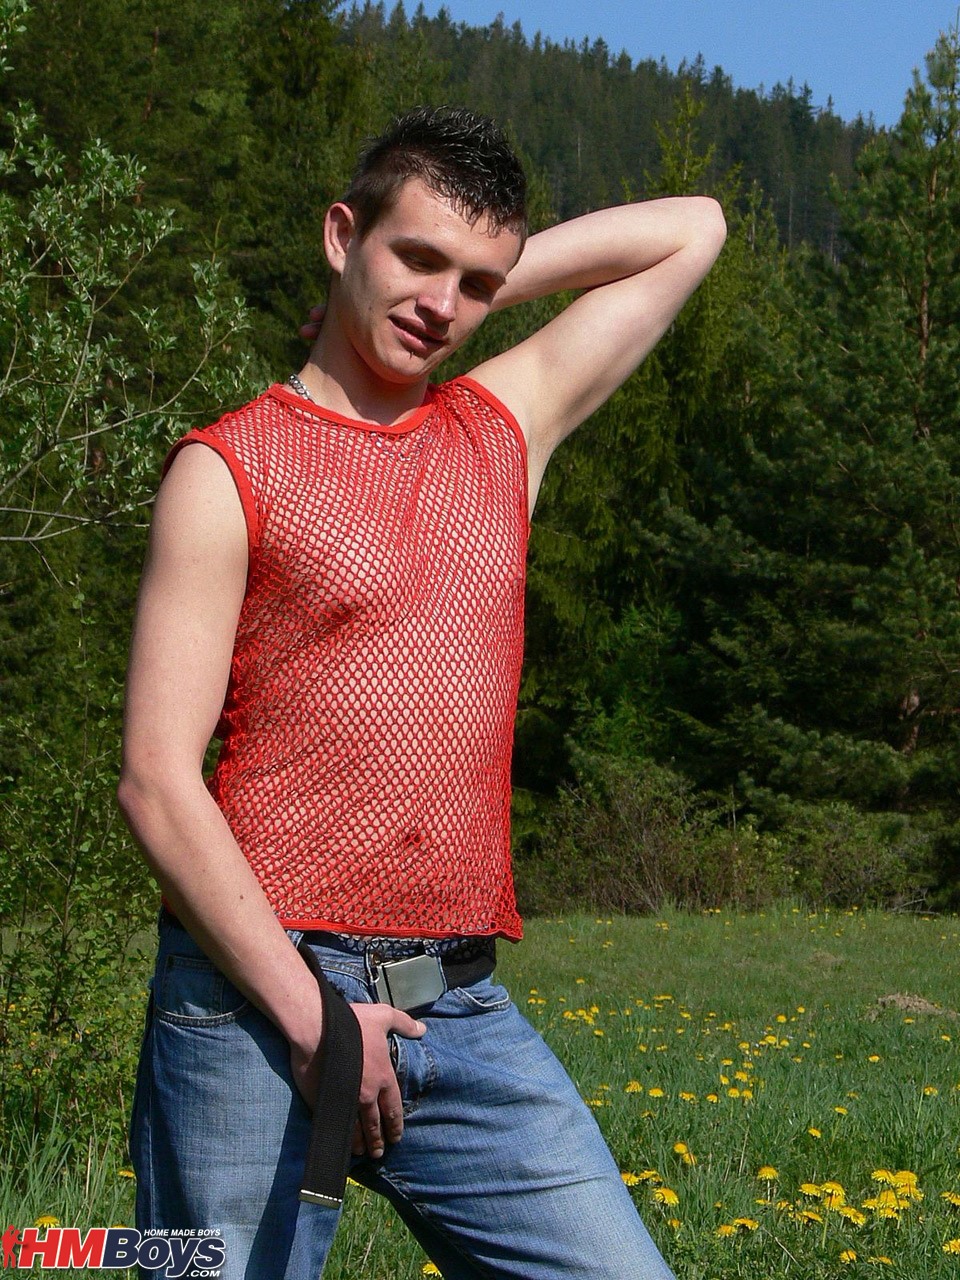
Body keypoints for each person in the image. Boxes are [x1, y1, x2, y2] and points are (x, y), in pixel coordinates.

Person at [118, 105, 726, 1280]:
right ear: (340, 235)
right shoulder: (227, 466)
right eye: (416, 256)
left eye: (475, 282)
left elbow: (693, 227)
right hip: (251, 998)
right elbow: (154, 781)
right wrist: (316, 1020)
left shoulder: (506, 426)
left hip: (456, 1004)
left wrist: (462, 289)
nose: (443, 303)